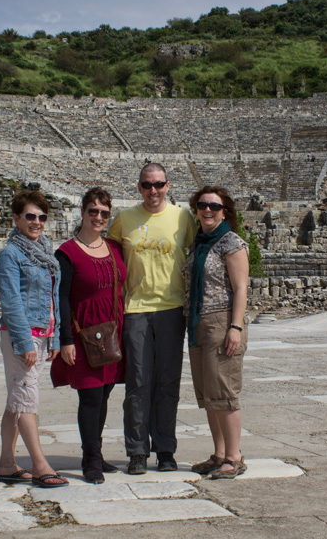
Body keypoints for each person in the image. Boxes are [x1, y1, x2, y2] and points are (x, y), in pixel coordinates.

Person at [107, 163, 197, 474]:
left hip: (171, 310)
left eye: (158, 184)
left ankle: (166, 449)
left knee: (168, 383)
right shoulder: (125, 219)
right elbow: (108, 254)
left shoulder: (182, 217)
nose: (153, 191)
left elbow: (199, 250)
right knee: (138, 384)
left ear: (168, 186)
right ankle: (136, 451)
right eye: (147, 185)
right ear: (139, 187)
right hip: (136, 310)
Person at [50, 187, 127, 484]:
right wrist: (66, 339)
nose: (98, 217)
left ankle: (97, 452)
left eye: (104, 213)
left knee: (106, 391)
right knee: (91, 396)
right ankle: (90, 459)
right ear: (82, 212)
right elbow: (63, 297)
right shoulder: (67, 252)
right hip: (84, 334)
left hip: (112, 331)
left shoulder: (114, 247)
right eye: (93, 211)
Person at [0, 189, 68, 488]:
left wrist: (54, 338)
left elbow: (53, 299)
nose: (36, 222)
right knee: (26, 400)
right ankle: (40, 466)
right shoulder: (10, 254)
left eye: (41, 217)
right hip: (21, 337)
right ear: (16, 218)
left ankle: (6, 464)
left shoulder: (46, 254)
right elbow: (11, 302)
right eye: (30, 216)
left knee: (16, 401)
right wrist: (25, 344)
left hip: (42, 334)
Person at [182, 186, 250, 479]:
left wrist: (235, 327)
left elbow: (241, 287)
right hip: (198, 324)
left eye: (214, 206)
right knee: (209, 395)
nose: (207, 210)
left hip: (222, 322)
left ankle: (234, 457)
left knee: (224, 392)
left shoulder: (231, 242)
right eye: (202, 205)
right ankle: (219, 453)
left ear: (225, 211)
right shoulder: (199, 244)